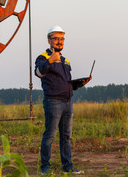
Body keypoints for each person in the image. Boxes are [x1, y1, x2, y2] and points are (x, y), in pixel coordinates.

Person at [35, 25, 91, 175]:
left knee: (66, 137)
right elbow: (38, 73)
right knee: (50, 135)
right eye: (56, 39)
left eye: (61, 39)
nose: (59, 41)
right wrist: (51, 61)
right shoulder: (43, 57)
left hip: (67, 102)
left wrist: (80, 83)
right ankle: (45, 167)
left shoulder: (66, 61)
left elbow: (66, 84)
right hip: (53, 102)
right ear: (49, 40)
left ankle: (67, 166)